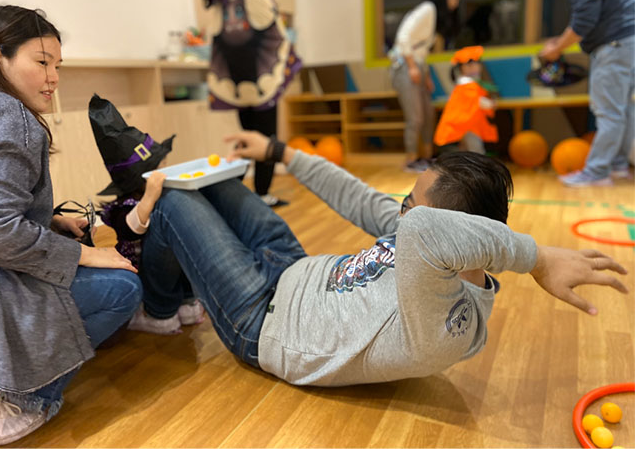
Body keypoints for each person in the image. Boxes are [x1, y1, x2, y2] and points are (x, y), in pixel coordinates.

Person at [137, 130, 628, 386]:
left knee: (172, 201)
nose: (401, 212)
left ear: (453, 228)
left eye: (411, 205)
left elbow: (419, 227)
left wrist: (536, 258)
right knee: (212, 179)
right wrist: (279, 150)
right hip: (290, 267)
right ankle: (184, 297)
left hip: (262, 321)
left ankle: (161, 310)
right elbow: (358, 197)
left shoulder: (444, 326)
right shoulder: (424, 233)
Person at [0, 5, 142, 446]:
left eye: (58, 65)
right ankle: (18, 399)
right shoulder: (5, 115)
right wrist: (86, 253)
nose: (53, 77)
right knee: (121, 289)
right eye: (41, 62)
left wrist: (49, 218)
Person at [89, 95, 204, 334]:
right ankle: (158, 314)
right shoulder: (122, 208)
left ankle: (188, 303)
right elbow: (132, 229)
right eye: (159, 169)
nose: (165, 172)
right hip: (148, 279)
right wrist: (150, 197)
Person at [202, 0, 301, 207]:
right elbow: (272, 28)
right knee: (266, 141)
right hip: (260, 76)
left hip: (235, 77)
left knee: (247, 137)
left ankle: (233, 195)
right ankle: (262, 194)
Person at [540, 0, 635, 187]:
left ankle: (597, 171)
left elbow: (582, 25)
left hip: (613, 46)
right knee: (623, 108)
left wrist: (555, 48)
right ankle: (618, 166)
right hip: (628, 44)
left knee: (609, 111)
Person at [390, 0, 463, 173]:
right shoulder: (427, 9)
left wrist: (427, 75)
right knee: (415, 117)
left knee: (428, 115)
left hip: (418, 66)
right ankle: (410, 160)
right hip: (404, 65)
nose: (456, 2)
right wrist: (412, 67)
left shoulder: (434, 18)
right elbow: (404, 37)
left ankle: (428, 158)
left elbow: (421, 52)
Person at [434, 45, 498, 154]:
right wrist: (491, 104)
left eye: (477, 63)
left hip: (468, 124)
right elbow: (478, 101)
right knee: (476, 151)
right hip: (467, 125)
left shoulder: (467, 83)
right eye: (470, 65)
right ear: (461, 68)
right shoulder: (467, 85)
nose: (474, 67)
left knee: (465, 151)